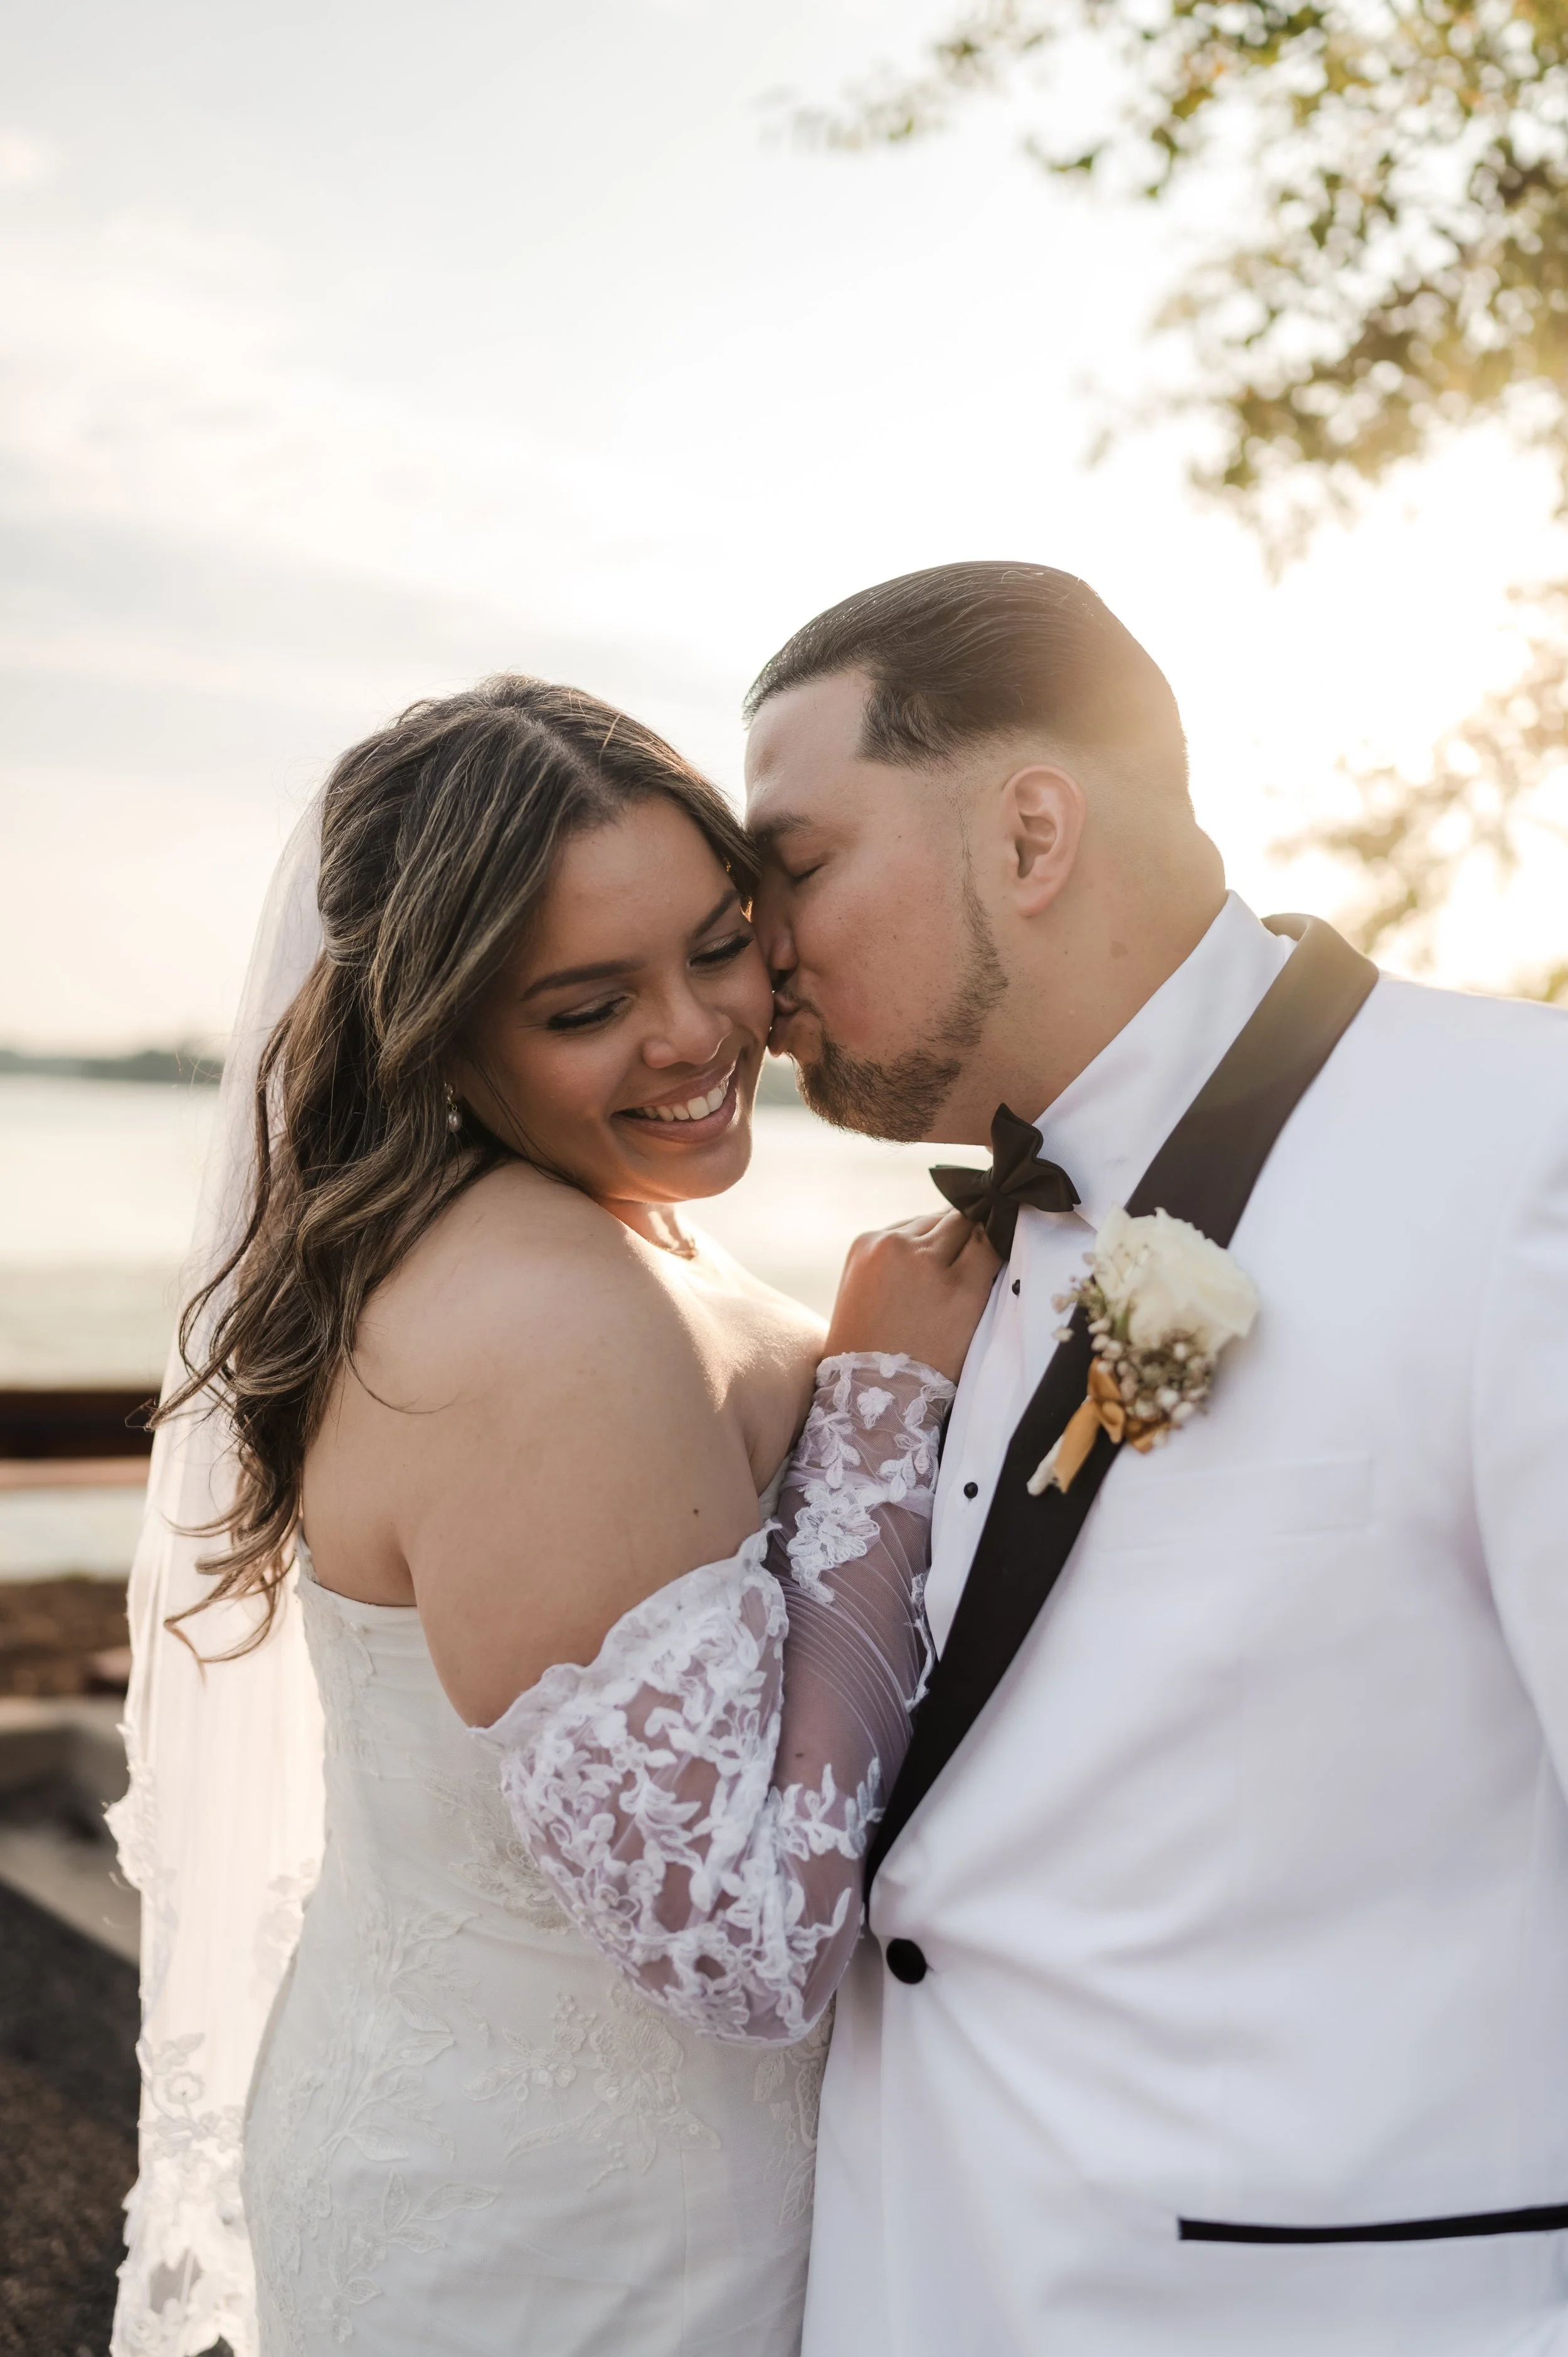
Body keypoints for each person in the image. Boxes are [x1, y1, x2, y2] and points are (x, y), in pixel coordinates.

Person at [712, 560, 1568, 2357]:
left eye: (791, 864)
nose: (751, 946)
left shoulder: (1518, 1157)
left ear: (1030, 829)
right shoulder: (948, 1269)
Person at [110, 676, 996, 2357]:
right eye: (590, 1003)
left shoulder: (596, 1222)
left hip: (499, 2134)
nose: (695, 1030)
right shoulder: (543, 1323)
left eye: (720, 942)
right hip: (577, 2244)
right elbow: (739, 1931)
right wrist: (880, 1407)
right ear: (441, 1027)